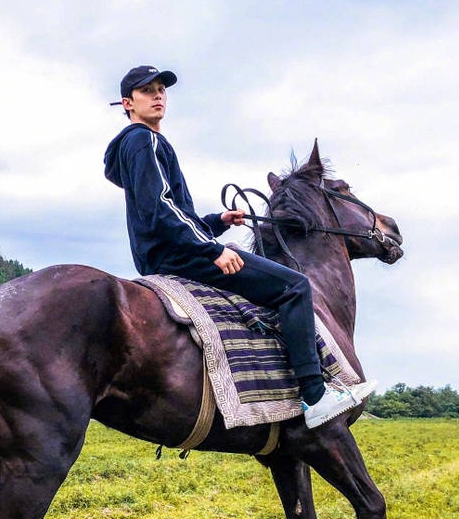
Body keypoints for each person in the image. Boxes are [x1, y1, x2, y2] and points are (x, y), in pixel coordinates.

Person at [103, 65, 376, 429]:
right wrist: (211, 248)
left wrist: (217, 222)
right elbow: (160, 208)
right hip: (180, 256)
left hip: (166, 252)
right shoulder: (143, 140)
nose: (158, 96)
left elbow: (170, 214)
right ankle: (315, 396)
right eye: (147, 91)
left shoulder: (140, 145)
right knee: (295, 286)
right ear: (128, 103)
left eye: (161, 90)